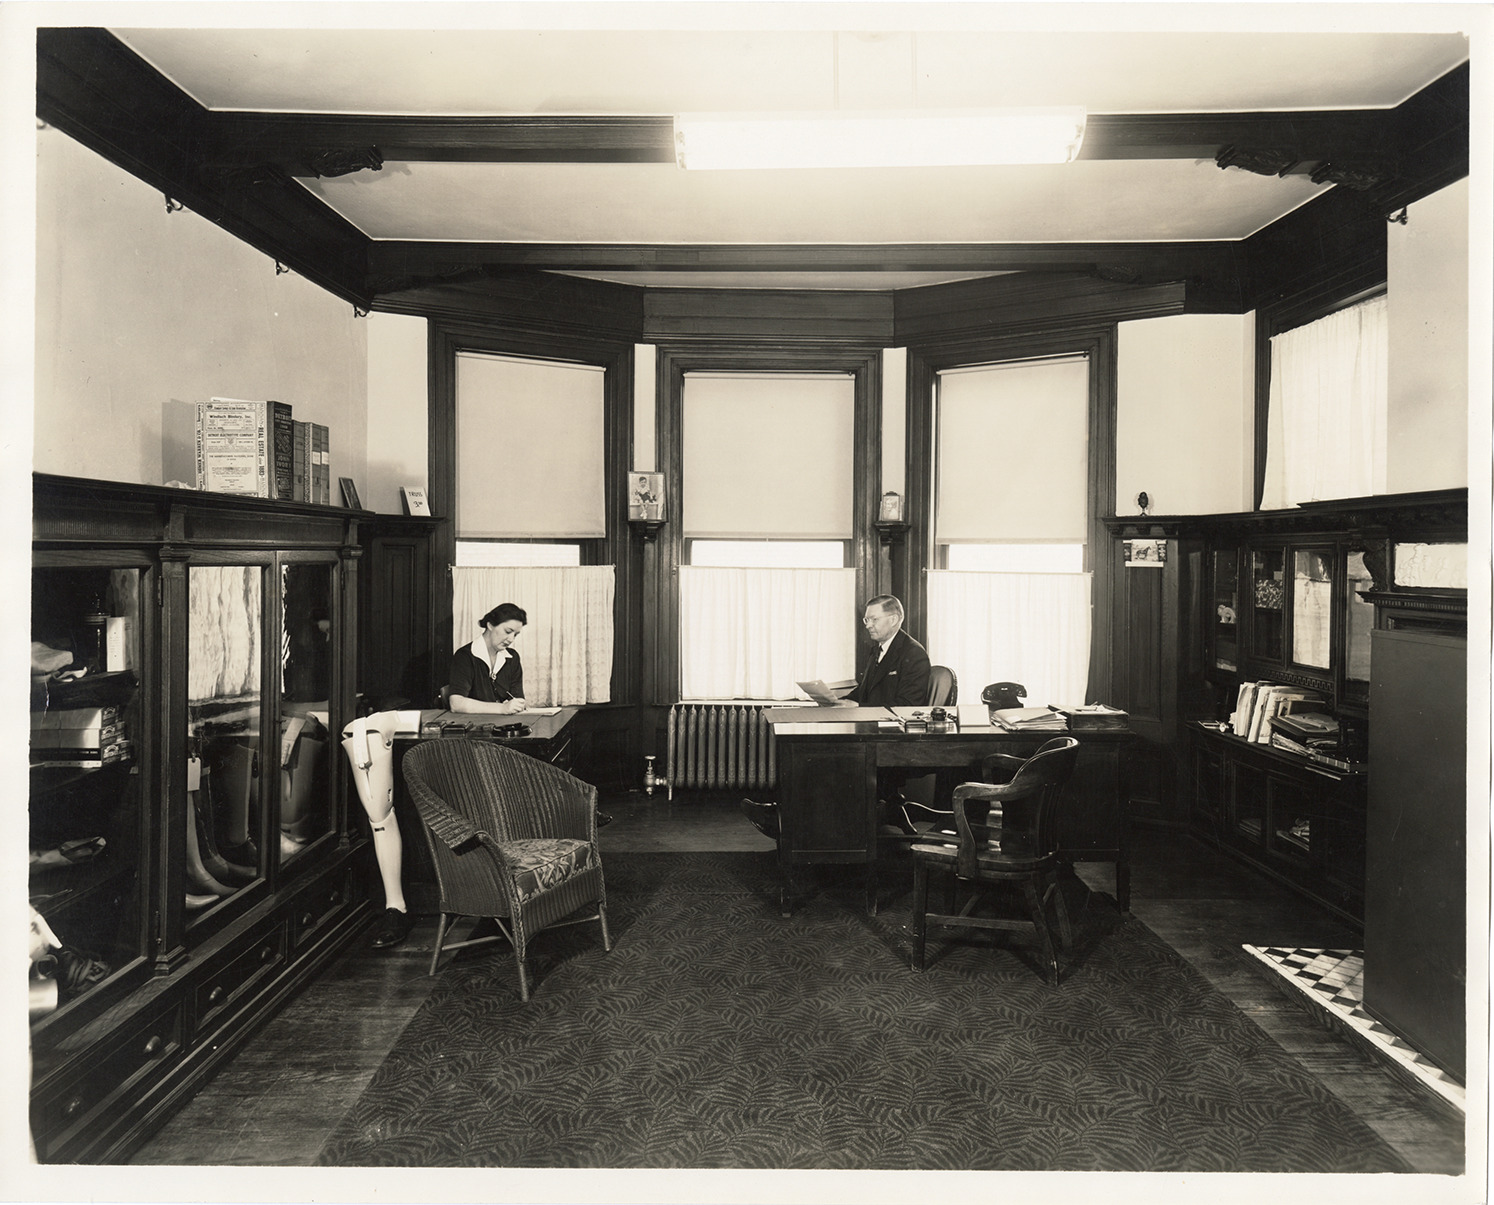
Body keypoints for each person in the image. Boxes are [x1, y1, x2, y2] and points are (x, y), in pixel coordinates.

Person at [741, 594, 931, 840]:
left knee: (824, 757)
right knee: (810, 752)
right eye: (866, 619)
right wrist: (837, 701)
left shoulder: (913, 654)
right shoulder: (879, 650)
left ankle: (792, 823)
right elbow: (864, 692)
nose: (868, 625)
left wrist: (857, 705)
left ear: (893, 619)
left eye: (873, 619)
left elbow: (908, 707)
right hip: (871, 732)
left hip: (891, 741)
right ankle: (786, 818)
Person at [448, 603, 529, 715]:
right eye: (508, 631)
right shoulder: (465, 656)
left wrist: (518, 704)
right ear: (490, 625)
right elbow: (456, 704)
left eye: (515, 635)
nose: (511, 639)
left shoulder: (512, 657)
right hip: (473, 723)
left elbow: (518, 698)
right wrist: (502, 708)